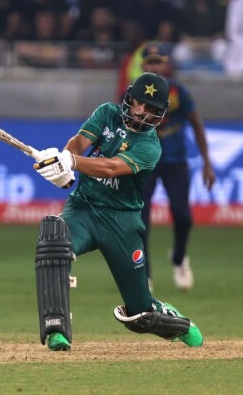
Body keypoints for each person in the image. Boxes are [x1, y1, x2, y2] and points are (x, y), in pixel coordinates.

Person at [33, 72, 203, 351]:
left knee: (140, 316)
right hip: (84, 208)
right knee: (53, 241)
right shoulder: (107, 113)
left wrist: (73, 162)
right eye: (139, 103)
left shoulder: (150, 146)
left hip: (122, 222)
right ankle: (56, 330)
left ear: (160, 114)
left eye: (152, 109)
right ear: (130, 99)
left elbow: (112, 167)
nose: (142, 112)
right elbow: (79, 141)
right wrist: (64, 161)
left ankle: (177, 322)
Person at [138, 42, 215, 291]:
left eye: (159, 61)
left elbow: (196, 124)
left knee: (183, 216)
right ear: (142, 65)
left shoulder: (178, 93)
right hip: (143, 164)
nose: (155, 66)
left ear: (167, 64)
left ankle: (180, 258)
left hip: (175, 161)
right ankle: (144, 275)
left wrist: (207, 163)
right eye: (150, 62)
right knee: (140, 221)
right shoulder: (134, 94)